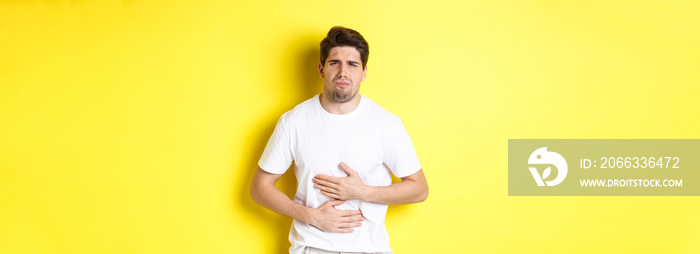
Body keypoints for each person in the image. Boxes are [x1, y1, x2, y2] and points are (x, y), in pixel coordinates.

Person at [250, 26, 429, 254]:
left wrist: (361, 191)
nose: (343, 71)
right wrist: (312, 216)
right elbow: (260, 188)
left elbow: (419, 189)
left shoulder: (386, 124)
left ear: (363, 72)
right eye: (335, 62)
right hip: (311, 248)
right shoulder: (293, 121)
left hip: (368, 250)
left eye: (352, 64)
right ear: (321, 69)